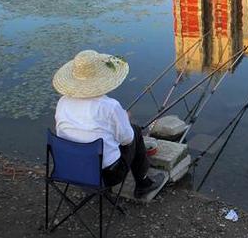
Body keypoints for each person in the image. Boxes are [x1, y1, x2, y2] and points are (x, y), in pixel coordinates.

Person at [53, 50, 165, 198]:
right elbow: (127, 140)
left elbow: (64, 132)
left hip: (70, 170)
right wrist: (125, 119)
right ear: (102, 79)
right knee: (135, 132)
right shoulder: (109, 106)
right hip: (107, 176)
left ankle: (101, 186)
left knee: (103, 138)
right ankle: (143, 183)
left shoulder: (63, 102)